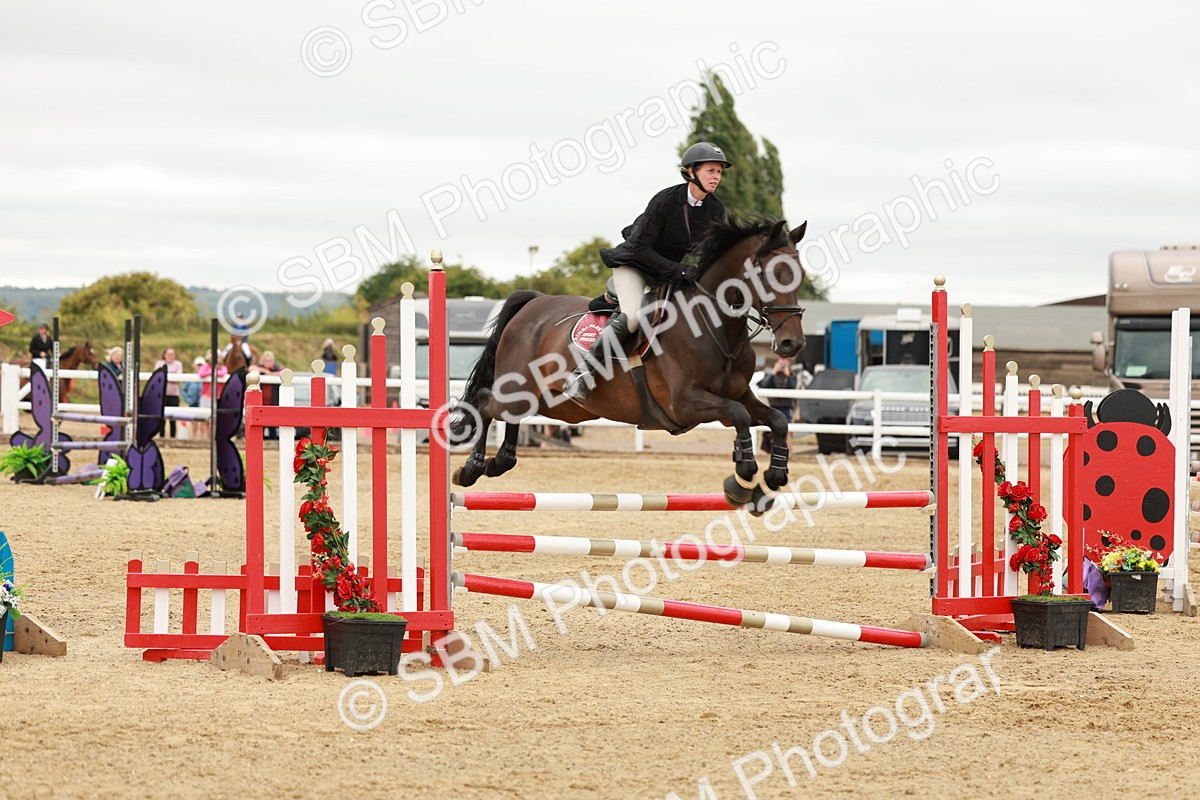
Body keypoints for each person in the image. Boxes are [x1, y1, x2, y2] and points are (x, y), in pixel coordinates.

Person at [561, 141, 731, 403]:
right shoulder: (665, 201)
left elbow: (710, 250)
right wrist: (680, 270)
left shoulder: (715, 208)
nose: (716, 177)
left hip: (667, 273)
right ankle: (582, 375)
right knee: (631, 317)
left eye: (719, 172)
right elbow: (640, 248)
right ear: (690, 171)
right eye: (711, 170)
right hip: (635, 264)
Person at [758, 356, 798, 453]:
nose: (783, 363)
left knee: (787, 431)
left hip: (786, 408)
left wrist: (787, 375)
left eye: (785, 361)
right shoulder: (770, 374)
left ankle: (788, 452)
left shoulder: (792, 375)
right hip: (773, 407)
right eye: (781, 360)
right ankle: (769, 451)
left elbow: (793, 388)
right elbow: (764, 386)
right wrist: (773, 373)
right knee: (770, 431)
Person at [250, 351, 282, 440]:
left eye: (270, 360)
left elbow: (284, 372)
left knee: (272, 427)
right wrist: (265, 371)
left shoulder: (276, 368)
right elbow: (251, 368)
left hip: (273, 403)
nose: (268, 362)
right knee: (260, 427)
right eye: (266, 360)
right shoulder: (259, 369)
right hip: (261, 403)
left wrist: (270, 374)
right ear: (262, 361)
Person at [154, 348, 183, 437]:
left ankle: (172, 437)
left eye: (172, 354)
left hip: (173, 394)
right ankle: (162, 436)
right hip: (162, 394)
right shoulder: (159, 363)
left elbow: (178, 376)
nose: (170, 356)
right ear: (164, 355)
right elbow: (158, 375)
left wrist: (167, 376)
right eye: (168, 354)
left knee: (173, 418)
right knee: (161, 418)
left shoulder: (178, 364)